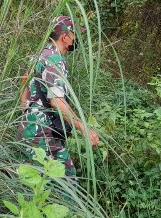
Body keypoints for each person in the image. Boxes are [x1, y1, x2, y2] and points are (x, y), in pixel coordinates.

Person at [19, 15, 100, 177]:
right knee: (66, 184)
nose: (76, 39)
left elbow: (23, 85)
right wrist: (83, 127)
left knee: (35, 183)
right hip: (44, 135)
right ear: (65, 37)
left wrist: (29, 114)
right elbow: (57, 102)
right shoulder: (55, 60)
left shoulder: (39, 56)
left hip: (28, 129)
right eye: (74, 35)